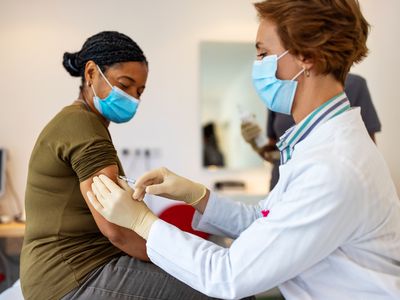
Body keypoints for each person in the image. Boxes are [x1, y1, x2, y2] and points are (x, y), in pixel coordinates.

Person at [88, 1, 400, 299]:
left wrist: (144, 223)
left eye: (264, 54)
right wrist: (198, 196)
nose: (258, 66)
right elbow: (267, 222)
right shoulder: (317, 145)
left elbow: (228, 274)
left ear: (307, 56)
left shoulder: (334, 167)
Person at [21, 31, 225, 300]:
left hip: (77, 268)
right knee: (221, 289)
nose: (133, 98)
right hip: (71, 276)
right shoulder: (83, 126)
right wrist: (181, 260)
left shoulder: (81, 122)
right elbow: (115, 229)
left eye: (139, 91)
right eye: (125, 85)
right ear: (91, 73)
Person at [242, 73, 382, 190]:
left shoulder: (354, 85)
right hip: (282, 186)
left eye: (264, 53)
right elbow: (275, 152)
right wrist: (257, 143)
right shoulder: (278, 91)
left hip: (326, 185)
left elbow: (367, 151)